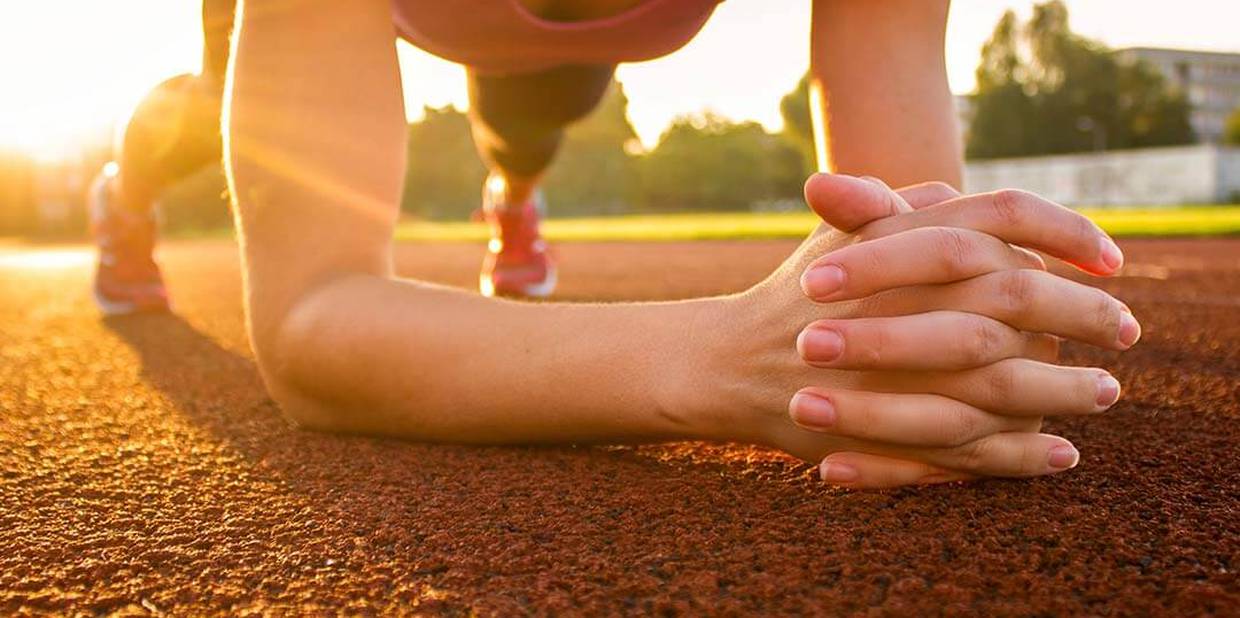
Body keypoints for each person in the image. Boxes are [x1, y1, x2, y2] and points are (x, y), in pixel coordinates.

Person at [92, 0, 1140, 489]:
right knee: (197, 116)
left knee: (536, 111)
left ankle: (511, 192)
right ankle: (122, 197)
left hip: (556, 38)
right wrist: (717, 355)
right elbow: (309, 322)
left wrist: (928, 326)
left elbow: (908, 245)